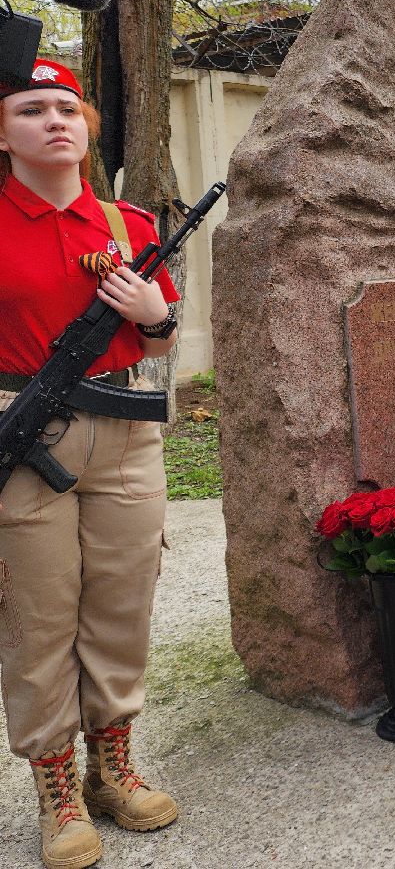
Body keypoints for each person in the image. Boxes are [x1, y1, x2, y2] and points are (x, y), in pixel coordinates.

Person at [0, 61, 182, 868]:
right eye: (31, 109)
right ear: (3, 131)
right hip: (22, 435)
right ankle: (57, 789)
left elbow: (163, 338)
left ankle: (113, 769)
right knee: (40, 618)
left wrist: (154, 315)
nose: (54, 122)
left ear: (90, 124)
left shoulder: (128, 223)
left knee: (121, 603)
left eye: (67, 108)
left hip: (125, 432)